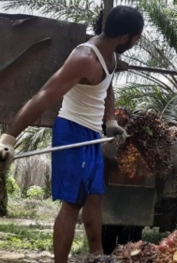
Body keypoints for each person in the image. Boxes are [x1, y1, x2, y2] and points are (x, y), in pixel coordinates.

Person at [0, 5, 144, 263]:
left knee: (95, 197)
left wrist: (110, 120)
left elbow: (107, 86)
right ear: (124, 37)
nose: (136, 43)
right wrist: (8, 139)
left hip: (92, 133)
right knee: (72, 203)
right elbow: (43, 96)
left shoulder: (110, 55)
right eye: (135, 39)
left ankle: (97, 256)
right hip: (71, 131)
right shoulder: (84, 58)